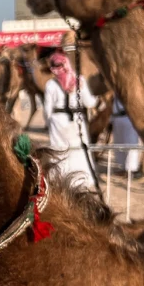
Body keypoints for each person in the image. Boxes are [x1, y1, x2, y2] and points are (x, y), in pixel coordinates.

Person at [43, 41, 99, 192]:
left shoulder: (50, 84)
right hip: (77, 120)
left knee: (59, 151)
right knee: (80, 149)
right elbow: (89, 102)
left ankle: (60, 179)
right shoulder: (79, 80)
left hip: (57, 121)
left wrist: (49, 122)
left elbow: (47, 109)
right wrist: (99, 102)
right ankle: (84, 180)